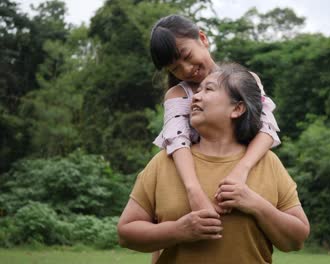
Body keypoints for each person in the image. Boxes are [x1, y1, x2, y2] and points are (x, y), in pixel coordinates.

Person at [117, 63, 310, 263]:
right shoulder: (164, 161)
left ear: (237, 108)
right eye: (197, 91)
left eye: (208, 89)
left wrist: (254, 203)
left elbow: (296, 240)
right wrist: (179, 230)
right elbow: (126, 234)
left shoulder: (268, 163)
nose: (196, 97)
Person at [149, 14, 280, 217]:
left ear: (202, 39)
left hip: (243, 171)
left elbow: (266, 127)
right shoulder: (179, 94)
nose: (186, 69)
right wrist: (194, 192)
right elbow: (177, 140)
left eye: (186, 55)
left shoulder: (246, 80)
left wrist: (241, 171)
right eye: (175, 68)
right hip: (192, 178)